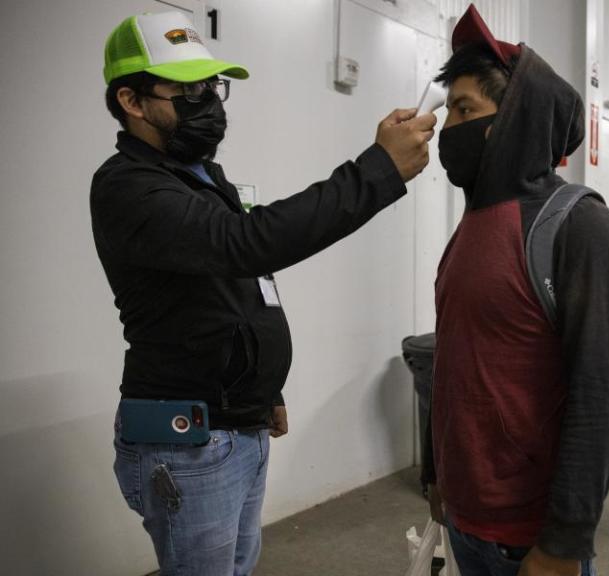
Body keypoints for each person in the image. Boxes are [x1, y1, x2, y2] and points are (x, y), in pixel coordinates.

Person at [92, 12, 436, 575]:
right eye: (188, 90)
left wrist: (261, 390)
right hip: (187, 441)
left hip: (234, 424)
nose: (208, 101)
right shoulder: (128, 187)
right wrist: (377, 171)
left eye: (211, 86)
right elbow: (249, 245)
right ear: (132, 100)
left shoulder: (199, 177)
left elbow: (236, 290)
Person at [423, 6, 609, 576]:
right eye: (450, 109)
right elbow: (457, 363)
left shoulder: (582, 230)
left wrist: (563, 543)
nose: (447, 127)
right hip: (467, 521)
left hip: (530, 542)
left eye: (464, 109)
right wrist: (441, 480)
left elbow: (606, 391)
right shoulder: (472, 225)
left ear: (516, 118)